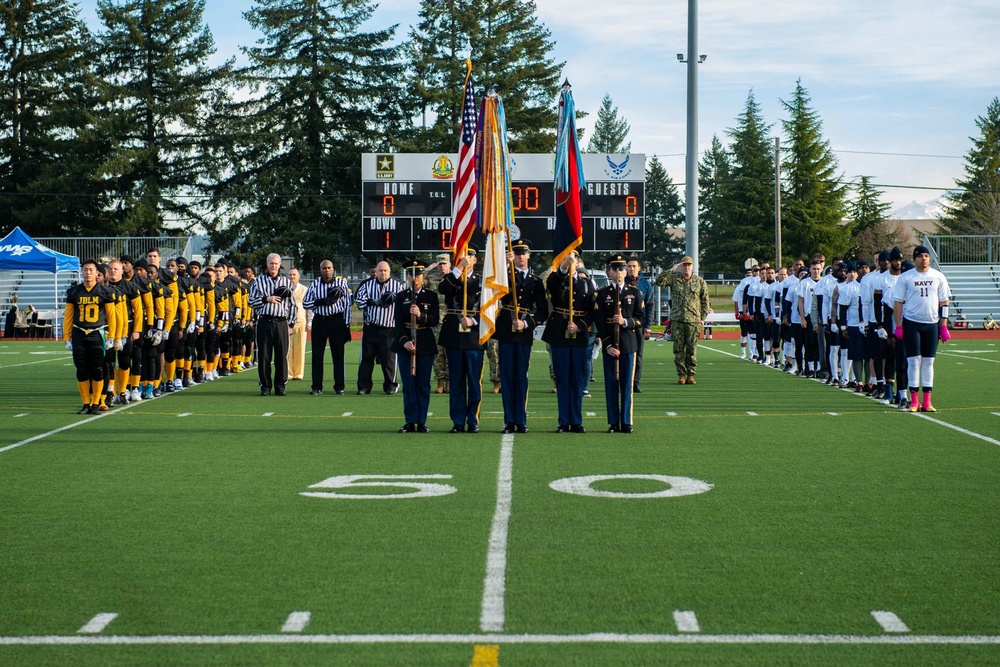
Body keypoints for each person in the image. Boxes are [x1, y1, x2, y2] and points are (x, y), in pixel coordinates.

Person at [495, 239, 548, 434]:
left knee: (521, 377)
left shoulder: (535, 281)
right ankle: (509, 420)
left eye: (523, 253)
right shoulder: (504, 276)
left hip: (523, 331)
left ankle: (521, 419)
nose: (520, 256)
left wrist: (527, 323)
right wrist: (503, 267)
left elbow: (543, 311)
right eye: (516, 253)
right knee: (507, 377)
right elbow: (493, 292)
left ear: (528, 255)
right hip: (506, 330)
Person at [891, 245, 951, 412]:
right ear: (914, 258)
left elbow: (944, 302)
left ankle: (927, 401)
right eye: (920, 256)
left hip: (931, 323)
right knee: (913, 361)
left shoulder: (938, 276)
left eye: (926, 255)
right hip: (912, 323)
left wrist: (943, 325)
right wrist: (899, 325)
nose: (923, 259)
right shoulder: (906, 277)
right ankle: (914, 400)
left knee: (928, 362)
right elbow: (898, 302)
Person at [543, 252, 595, 433]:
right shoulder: (557, 279)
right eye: (568, 257)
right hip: (559, 333)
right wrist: (563, 266)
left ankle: (576, 420)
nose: (572, 260)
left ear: (580, 262)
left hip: (579, 335)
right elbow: (551, 285)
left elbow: (591, 310)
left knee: (577, 380)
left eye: (574, 258)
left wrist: (580, 325)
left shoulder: (587, 283)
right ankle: (563, 421)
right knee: (562, 379)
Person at [595, 253, 644, 433]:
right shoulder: (602, 294)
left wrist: (625, 321)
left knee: (627, 385)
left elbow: (641, 318)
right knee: (611, 384)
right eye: (615, 269)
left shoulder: (634, 292)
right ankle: (613, 422)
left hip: (628, 344)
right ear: (609, 272)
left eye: (622, 269)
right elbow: (599, 322)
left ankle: (626, 421)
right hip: (610, 346)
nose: (619, 272)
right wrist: (607, 345)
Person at [438, 244, 485, 433]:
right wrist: (457, 269)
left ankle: (473, 420)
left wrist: (474, 320)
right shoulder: (453, 277)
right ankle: (458, 421)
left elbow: (490, 308)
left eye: (470, 256)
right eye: (463, 256)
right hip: (454, 335)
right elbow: (442, 288)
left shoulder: (482, 280)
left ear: (476, 259)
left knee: (474, 381)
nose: (466, 259)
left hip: (474, 335)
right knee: (456, 381)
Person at [63, 259, 118, 414]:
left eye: (91, 270)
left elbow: (111, 316)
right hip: (79, 332)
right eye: (85, 270)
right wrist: (66, 337)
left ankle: (96, 403)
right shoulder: (74, 292)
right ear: (82, 272)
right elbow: (68, 316)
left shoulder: (105, 292)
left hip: (97, 333)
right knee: (81, 369)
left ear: (97, 273)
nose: (88, 273)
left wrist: (112, 336)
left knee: (97, 369)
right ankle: (85, 403)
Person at [392, 258, 440, 433]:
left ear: (423, 276)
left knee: (423, 384)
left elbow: (434, 320)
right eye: (412, 275)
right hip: (406, 344)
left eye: (418, 274)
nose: (415, 278)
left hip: (425, 342)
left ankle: (421, 421)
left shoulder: (430, 296)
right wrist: (405, 341)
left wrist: (420, 315)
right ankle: (410, 420)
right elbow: (397, 322)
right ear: (407, 277)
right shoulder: (401, 296)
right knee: (409, 384)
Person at [247, 253, 298, 396]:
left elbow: (293, 305)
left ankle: (280, 385)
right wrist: (266, 299)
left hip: (281, 322)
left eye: (276, 264)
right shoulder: (258, 282)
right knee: (264, 356)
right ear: (267, 264)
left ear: (279, 265)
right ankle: (265, 386)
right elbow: (251, 302)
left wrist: (291, 324)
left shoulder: (287, 283)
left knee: (282, 356)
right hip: (264, 320)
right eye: (271, 263)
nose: (273, 266)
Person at [657, 256, 710, 384]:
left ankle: (691, 374)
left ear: (692, 267)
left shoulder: (700, 281)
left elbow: (705, 301)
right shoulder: (674, 279)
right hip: (677, 319)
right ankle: (681, 374)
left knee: (692, 349)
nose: (686, 267)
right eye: (684, 265)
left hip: (693, 321)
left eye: (689, 265)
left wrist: (702, 318)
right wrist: (670, 270)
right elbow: (659, 282)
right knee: (679, 349)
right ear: (681, 267)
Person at [302, 260, 352, 395]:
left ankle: (339, 386)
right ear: (320, 270)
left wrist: (347, 325)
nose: (327, 270)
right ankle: (317, 386)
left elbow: (347, 305)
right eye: (324, 268)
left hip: (336, 321)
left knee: (338, 355)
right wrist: (319, 301)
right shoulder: (314, 285)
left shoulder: (341, 284)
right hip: (320, 321)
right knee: (317, 355)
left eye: (329, 268)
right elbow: (305, 303)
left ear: (333, 269)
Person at [354, 260, 404, 395]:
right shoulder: (367, 285)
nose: (382, 273)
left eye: (385, 271)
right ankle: (364, 386)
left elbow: (402, 303)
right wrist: (372, 302)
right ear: (376, 272)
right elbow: (359, 300)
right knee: (366, 358)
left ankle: (390, 385)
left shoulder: (397, 286)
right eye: (380, 271)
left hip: (388, 328)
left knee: (389, 358)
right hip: (371, 327)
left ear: (389, 272)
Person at [424, 252, 451, 394]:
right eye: (440, 264)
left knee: (451, 353)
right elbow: (416, 282)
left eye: (444, 263)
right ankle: (440, 382)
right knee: (438, 354)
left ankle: (450, 382)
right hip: (436, 323)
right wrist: (427, 269)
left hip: (452, 322)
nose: (442, 267)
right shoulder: (432, 280)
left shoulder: (455, 278)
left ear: (449, 264)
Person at [625, 256, 653, 392]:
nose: (631, 269)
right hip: (624, 325)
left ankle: (635, 382)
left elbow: (650, 306)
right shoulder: (621, 282)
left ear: (639, 268)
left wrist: (648, 326)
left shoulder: (645, 284)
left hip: (639, 325)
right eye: (629, 266)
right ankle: (624, 382)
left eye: (634, 266)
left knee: (638, 354)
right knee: (623, 354)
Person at [286, 268, 308, 381]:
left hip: (300, 321)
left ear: (299, 276)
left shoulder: (305, 289)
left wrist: (309, 322)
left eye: (294, 275)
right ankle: (289, 373)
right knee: (288, 348)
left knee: (300, 348)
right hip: (286, 323)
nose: (292, 277)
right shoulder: (284, 289)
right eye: (290, 275)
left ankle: (298, 373)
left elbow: (310, 307)